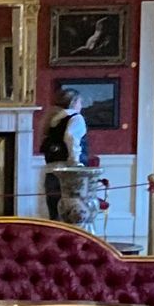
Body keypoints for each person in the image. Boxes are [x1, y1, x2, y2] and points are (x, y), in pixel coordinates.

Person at [41, 84, 88, 218]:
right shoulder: (76, 118)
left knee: (54, 211)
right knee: (71, 213)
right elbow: (71, 138)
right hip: (68, 172)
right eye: (80, 102)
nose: (81, 105)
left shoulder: (53, 120)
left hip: (51, 170)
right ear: (73, 102)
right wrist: (75, 162)